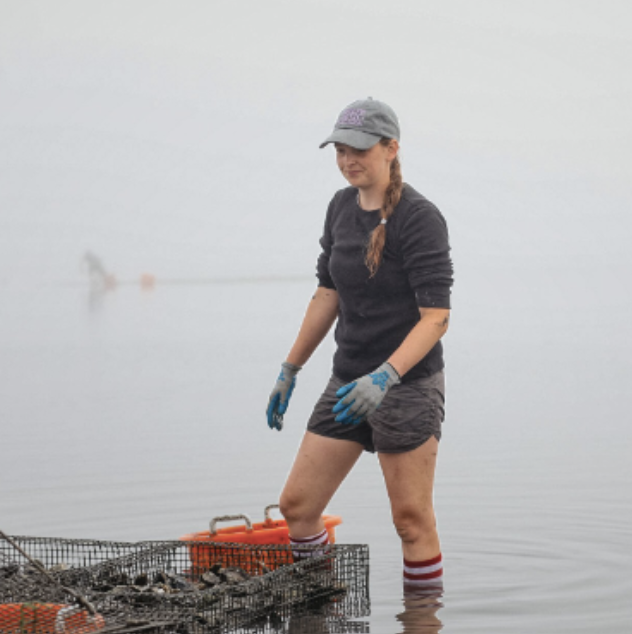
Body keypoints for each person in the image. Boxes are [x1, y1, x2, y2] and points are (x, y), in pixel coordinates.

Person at [266, 97, 454, 592]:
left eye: (361, 150)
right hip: (348, 380)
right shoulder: (339, 207)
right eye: (341, 150)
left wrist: (386, 376)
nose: (349, 160)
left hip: (407, 385)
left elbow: (436, 318)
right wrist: (291, 368)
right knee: (298, 507)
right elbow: (328, 292)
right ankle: (320, 607)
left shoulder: (420, 217)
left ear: (391, 148)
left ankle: (422, 623)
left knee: (411, 520)